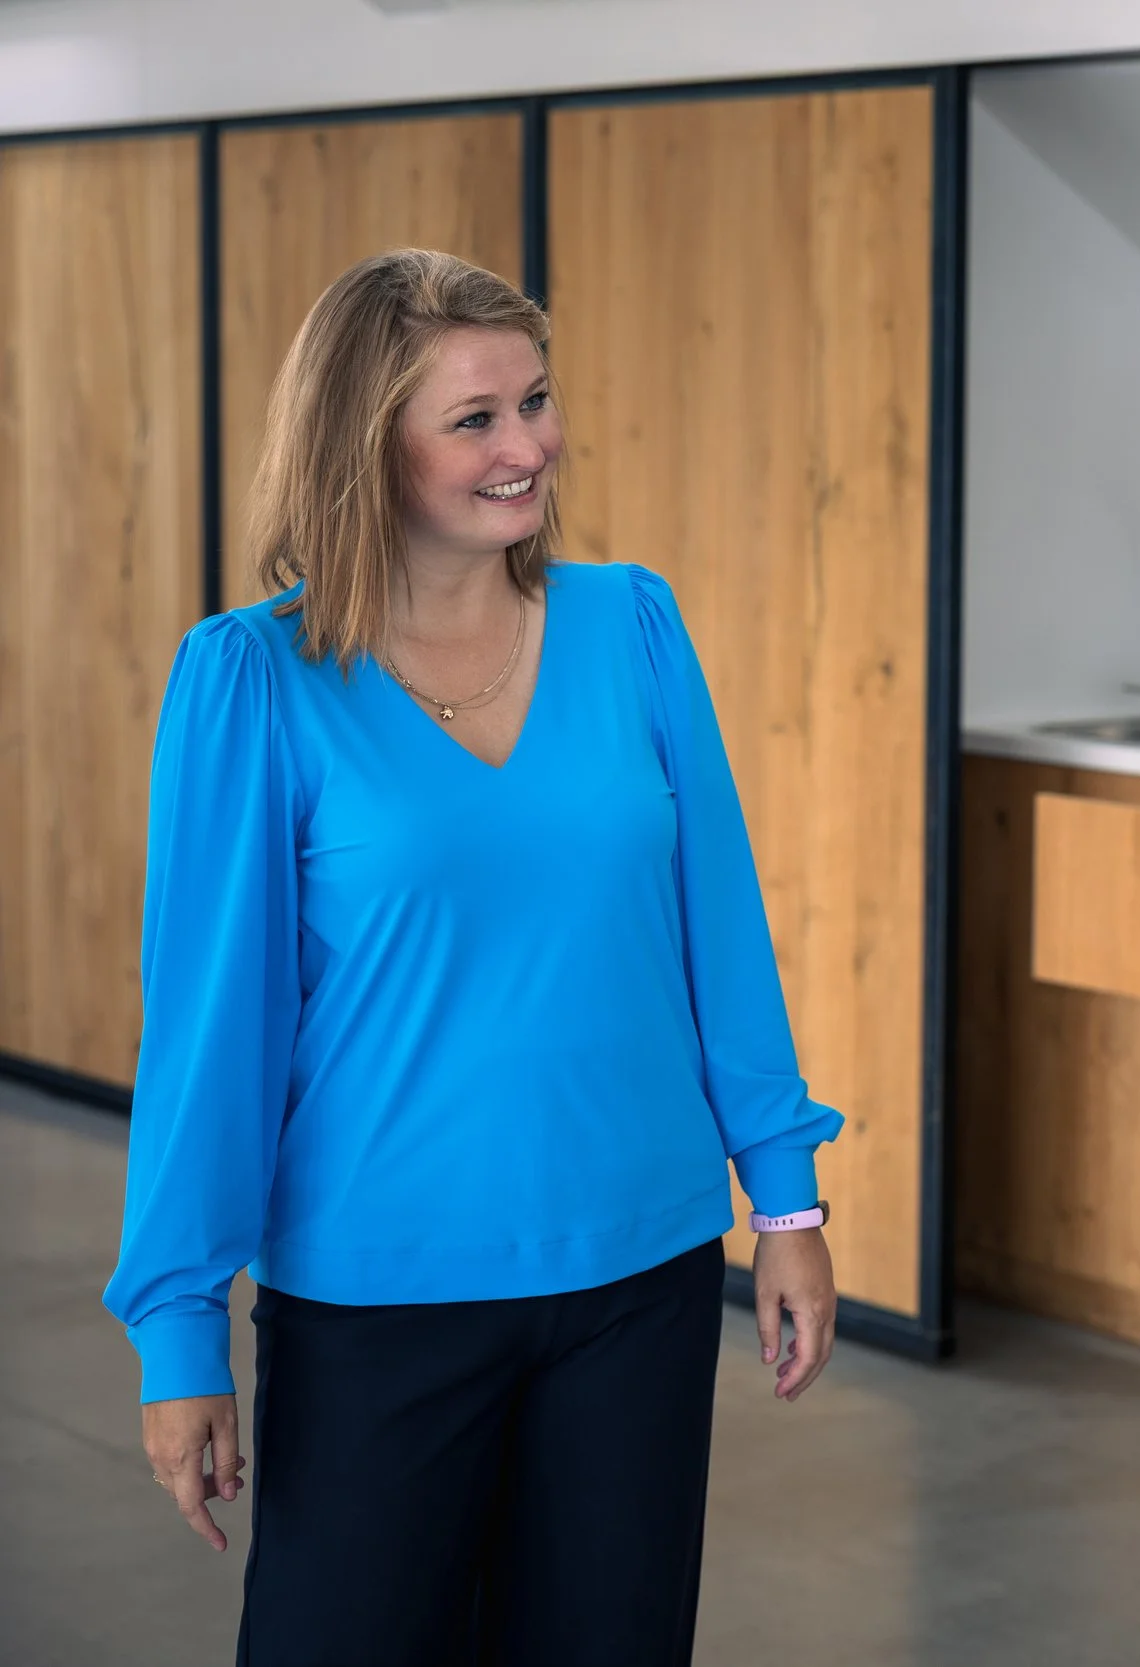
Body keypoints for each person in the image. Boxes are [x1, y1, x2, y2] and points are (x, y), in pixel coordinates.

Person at [102, 249, 845, 1664]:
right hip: (380, 1299)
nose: (529, 447)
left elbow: (721, 930)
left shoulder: (632, 625)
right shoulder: (254, 681)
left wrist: (789, 1202)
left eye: (538, 401)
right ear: (363, 444)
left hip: (644, 1273)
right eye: (477, 419)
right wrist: (180, 1326)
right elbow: (212, 1036)